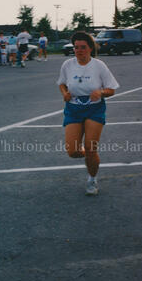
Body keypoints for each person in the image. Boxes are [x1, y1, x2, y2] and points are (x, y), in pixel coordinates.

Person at [57, 31, 119, 196]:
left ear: (90, 48)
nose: (79, 50)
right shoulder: (67, 65)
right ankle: (88, 154)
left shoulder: (99, 65)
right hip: (73, 109)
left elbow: (111, 89)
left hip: (94, 109)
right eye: (76, 47)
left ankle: (92, 179)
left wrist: (101, 92)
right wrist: (64, 93)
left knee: (91, 149)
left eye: (83, 47)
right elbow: (62, 84)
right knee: (73, 151)